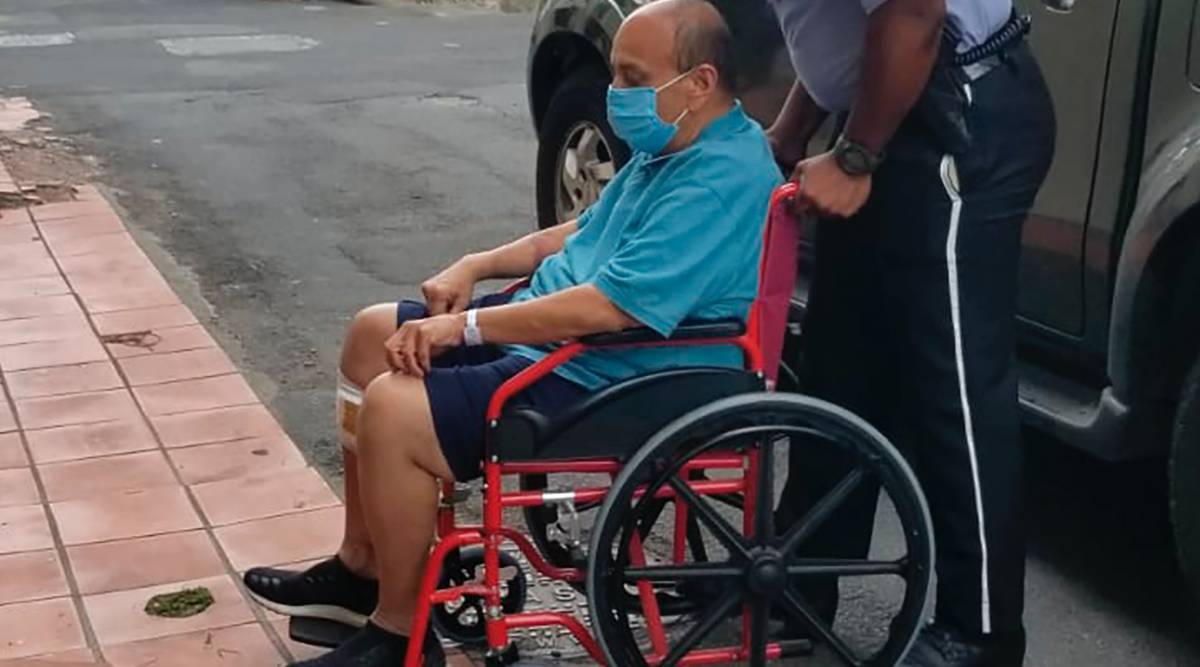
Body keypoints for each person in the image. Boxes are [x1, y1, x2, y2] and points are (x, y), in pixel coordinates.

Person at [241, 2, 781, 665]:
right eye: (615, 74)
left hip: (618, 372)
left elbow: (608, 308)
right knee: (368, 335)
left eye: (633, 78)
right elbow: (581, 233)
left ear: (697, 82)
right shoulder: (672, 143)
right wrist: (476, 265)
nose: (615, 94)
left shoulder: (720, 178)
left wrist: (463, 327)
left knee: (394, 409)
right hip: (564, 346)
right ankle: (362, 568)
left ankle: (400, 632)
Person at [765, 0, 1055, 665]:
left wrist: (858, 156)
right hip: (893, 100)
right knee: (841, 363)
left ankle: (978, 633)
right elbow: (844, 25)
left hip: (957, 108)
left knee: (956, 388)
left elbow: (913, 11)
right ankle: (802, 585)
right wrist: (791, 130)